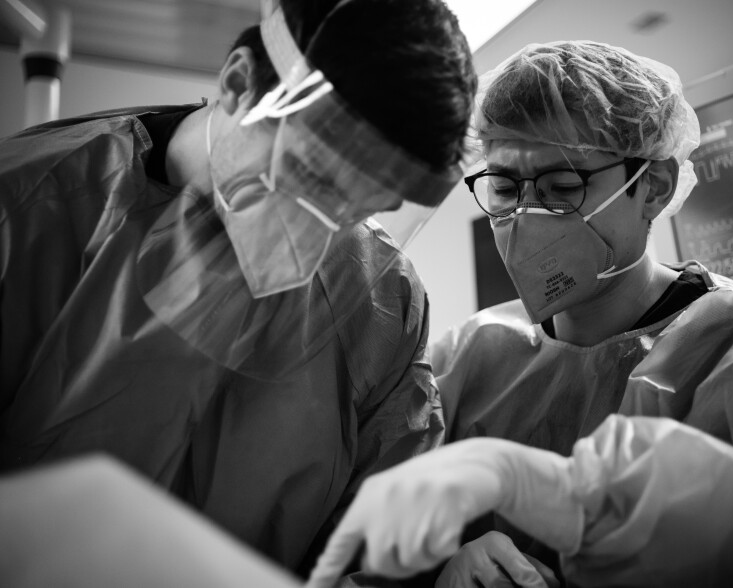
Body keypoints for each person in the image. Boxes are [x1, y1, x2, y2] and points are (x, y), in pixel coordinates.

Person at [306, 40, 733, 587]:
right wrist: (443, 570)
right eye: (504, 187)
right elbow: (370, 547)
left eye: (562, 187)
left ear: (654, 187)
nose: (526, 216)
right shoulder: (468, 357)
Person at [0, 0, 476, 577]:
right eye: (313, 176)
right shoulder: (28, 208)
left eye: (361, 207)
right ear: (238, 83)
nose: (319, 231)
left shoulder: (381, 300)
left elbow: (383, 547)